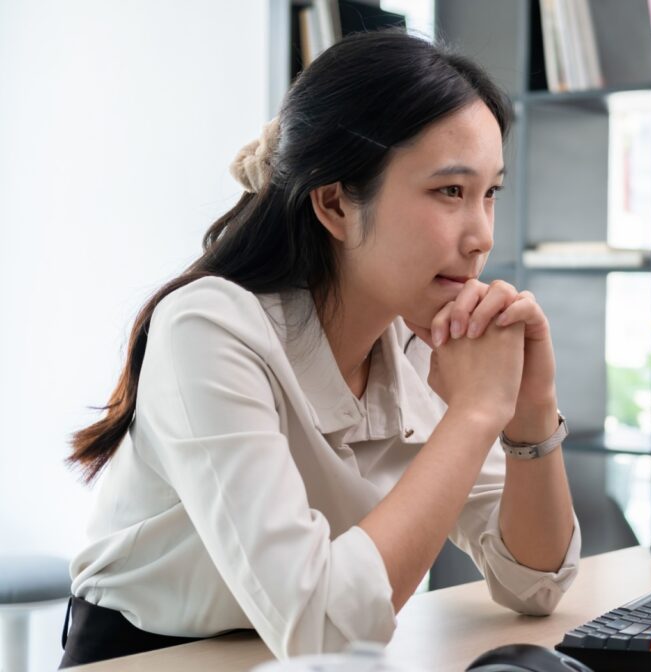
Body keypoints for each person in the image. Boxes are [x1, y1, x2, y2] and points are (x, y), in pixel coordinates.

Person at [60, 30, 580, 668]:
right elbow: (320, 624)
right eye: (450, 192)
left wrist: (530, 413)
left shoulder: (423, 334)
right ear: (335, 203)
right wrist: (475, 414)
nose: (481, 237)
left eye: (489, 193)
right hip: (151, 658)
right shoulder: (208, 328)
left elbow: (536, 582)